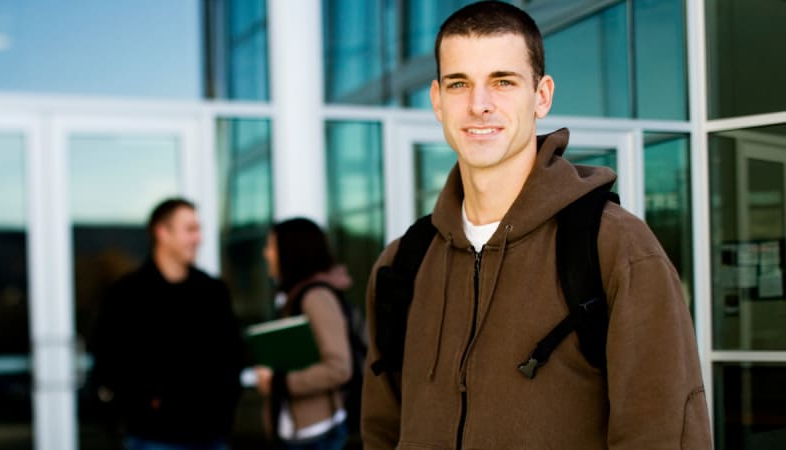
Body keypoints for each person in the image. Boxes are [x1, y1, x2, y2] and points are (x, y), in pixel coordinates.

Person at [361, 2, 713, 449]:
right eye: (459, 84)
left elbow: (661, 434)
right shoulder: (402, 264)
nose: (479, 105)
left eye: (502, 82)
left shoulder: (614, 246)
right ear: (437, 100)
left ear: (541, 96)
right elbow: (380, 432)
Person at [91, 198, 245, 450]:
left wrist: (223, 406)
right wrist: (142, 404)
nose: (198, 238)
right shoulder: (128, 293)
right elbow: (108, 359)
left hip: (211, 435)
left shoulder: (212, 291)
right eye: (190, 229)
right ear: (162, 232)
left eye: (199, 229)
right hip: (153, 436)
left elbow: (233, 354)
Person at [255, 218, 352, 450]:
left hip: (317, 436)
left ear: (290, 251)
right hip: (300, 433)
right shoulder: (292, 297)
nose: (266, 254)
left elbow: (339, 368)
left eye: (271, 246)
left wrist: (278, 382)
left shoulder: (316, 298)